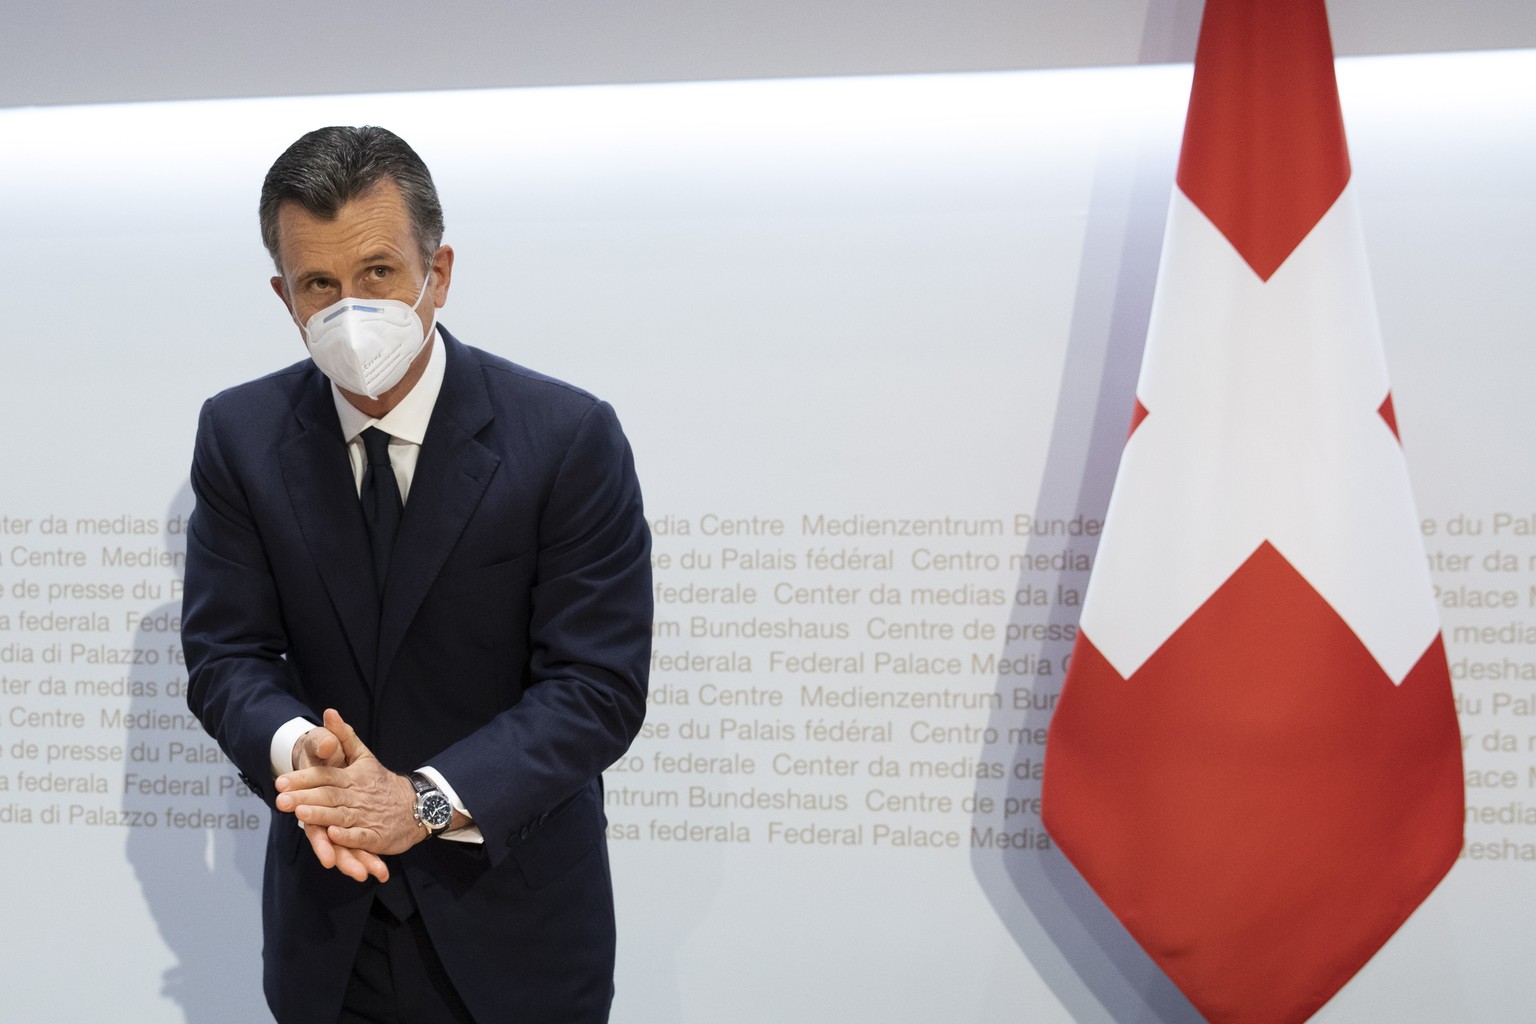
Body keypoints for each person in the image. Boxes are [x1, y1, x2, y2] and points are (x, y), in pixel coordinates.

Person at [181, 125, 652, 1024]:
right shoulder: (239, 436)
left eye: (378, 274)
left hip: (516, 934)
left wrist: (422, 802)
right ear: (285, 296)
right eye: (319, 284)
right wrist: (304, 757)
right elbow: (225, 656)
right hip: (330, 932)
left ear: (437, 274)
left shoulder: (565, 437)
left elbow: (596, 687)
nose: (348, 307)